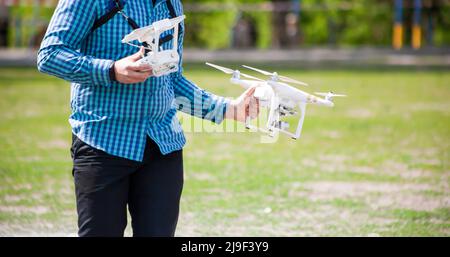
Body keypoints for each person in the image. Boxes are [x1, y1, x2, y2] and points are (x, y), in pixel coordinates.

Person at [37, 0, 259, 237]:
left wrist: (228, 109)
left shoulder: (172, 4)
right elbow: (49, 55)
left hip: (163, 146)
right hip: (102, 143)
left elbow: (172, 80)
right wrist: (110, 70)